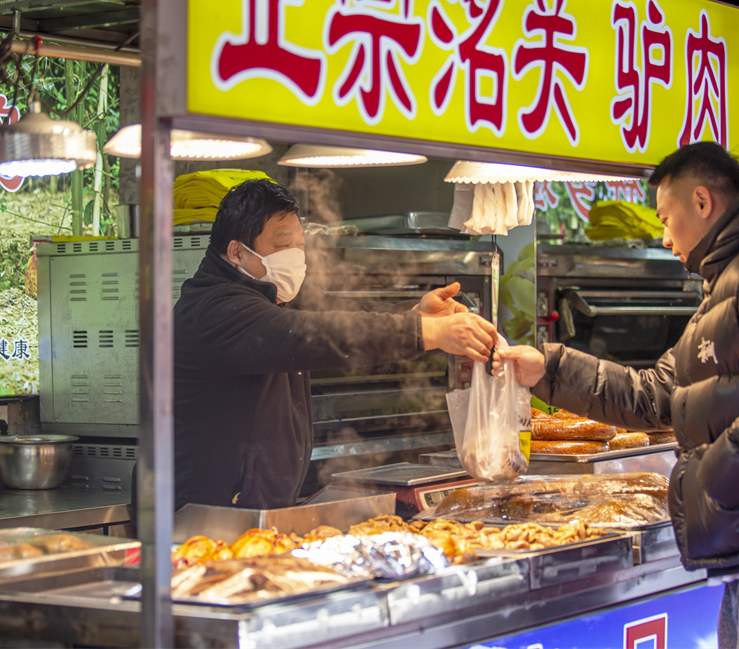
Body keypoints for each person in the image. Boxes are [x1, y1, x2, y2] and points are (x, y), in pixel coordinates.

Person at [498, 142, 739, 648]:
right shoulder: (730, 286)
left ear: (702, 202)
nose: (664, 235)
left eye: (666, 217)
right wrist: (549, 368)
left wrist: (713, 477)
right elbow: (657, 396)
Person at [173, 178, 498, 510]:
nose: (296, 258)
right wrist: (426, 333)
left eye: (300, 247)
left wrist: (415, 314)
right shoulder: (214, 310)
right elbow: (314, 333)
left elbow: (344, 317)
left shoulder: (272, 297)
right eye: (283, 246)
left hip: (251, 517)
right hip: (200, 521)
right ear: (237, 252)